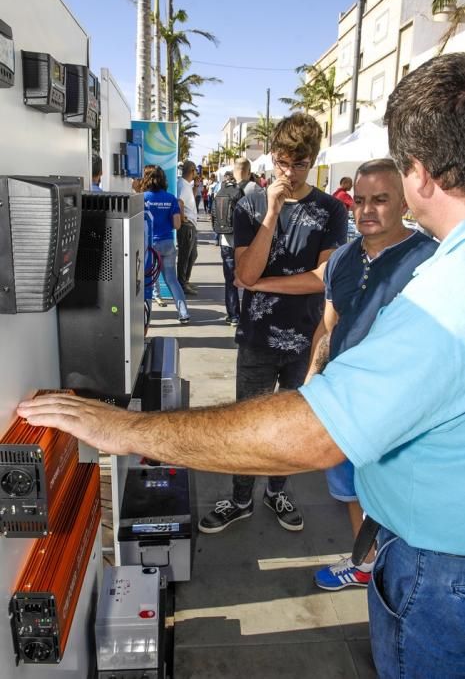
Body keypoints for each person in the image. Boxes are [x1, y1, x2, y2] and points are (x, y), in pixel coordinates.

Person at [17, 52, 465, 679]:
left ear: (418, 175)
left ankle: (279, 503)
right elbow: (270, 281)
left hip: (439, 567)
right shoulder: (289, 216)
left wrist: (123, 430)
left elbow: (311, 434)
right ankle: (247, 501)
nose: (367, 210)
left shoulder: (442, 288)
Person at [198, 113, 347, 534]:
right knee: (246, 421)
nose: (291, 172)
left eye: (300, 164)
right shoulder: (249, 205)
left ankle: (277, 490)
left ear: (313, 161)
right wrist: (272, 212)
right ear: (272, 160)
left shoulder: (331, 209)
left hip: (307, 336)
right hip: (258, 337)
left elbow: (322, 279)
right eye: (284, 162)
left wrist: (261, 282)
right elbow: (244, 274)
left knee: (292, 423)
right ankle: (241, 498)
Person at [307, 158, 438, 591]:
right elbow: (329, 324)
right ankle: (364, 562)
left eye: (380, 200)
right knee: (349, 490)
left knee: (399, 497)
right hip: (345, 402)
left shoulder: (431, 262)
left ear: (403, 201)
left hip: (403, 412)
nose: (366, 210)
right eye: (359, 200)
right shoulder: (344, 257)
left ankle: (405, 577)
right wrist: (312, 379)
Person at [212, 158, 261, 326]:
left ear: (234, 172)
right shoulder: (254, 188)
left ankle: (233, 315)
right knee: (252, 279)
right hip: (249, 244)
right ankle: (250, 315)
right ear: (248, 171)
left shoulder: (224, 188)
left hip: (226, 240)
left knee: (230, 281)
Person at [142, 165, 190, 324]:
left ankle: (145, 318)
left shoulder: (143, 198)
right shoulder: (170, 198)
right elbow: (177, 225)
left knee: (146, 280)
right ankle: (183, 313)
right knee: (171, 280)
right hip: (168, 243)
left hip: (149, 245)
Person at [177, 160, 198, 296]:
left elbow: (189, 200)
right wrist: (183, 217)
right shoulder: (183, 185)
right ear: (192, 171)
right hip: (187, 225)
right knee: (186, 256)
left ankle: (185, 280)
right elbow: (180, 201)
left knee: (192, 254)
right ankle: (182, 283)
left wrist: (196, 186)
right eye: (195, 170)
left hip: (190, 225)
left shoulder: (186, 185)